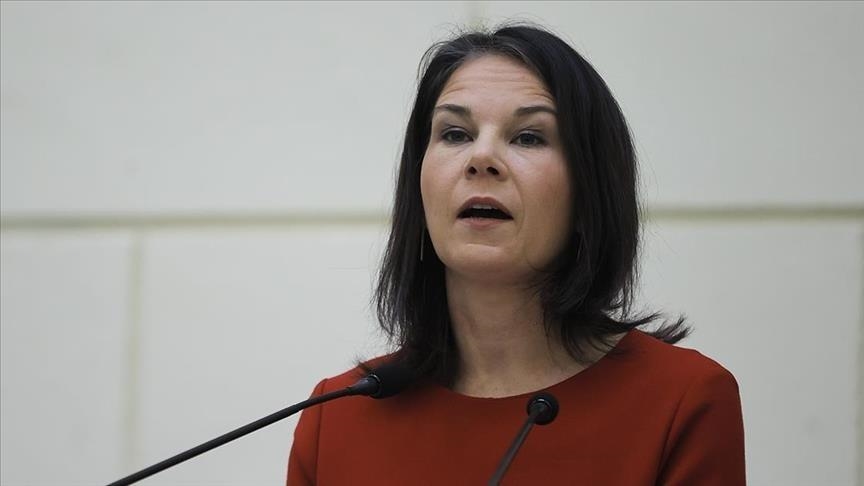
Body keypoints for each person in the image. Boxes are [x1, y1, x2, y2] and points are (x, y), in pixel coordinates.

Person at [287, 24, 745, 485]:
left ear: (589, 192)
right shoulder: (338, 419)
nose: (481, 158)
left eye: (528, 137)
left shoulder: (682, 401)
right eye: (455, 134)